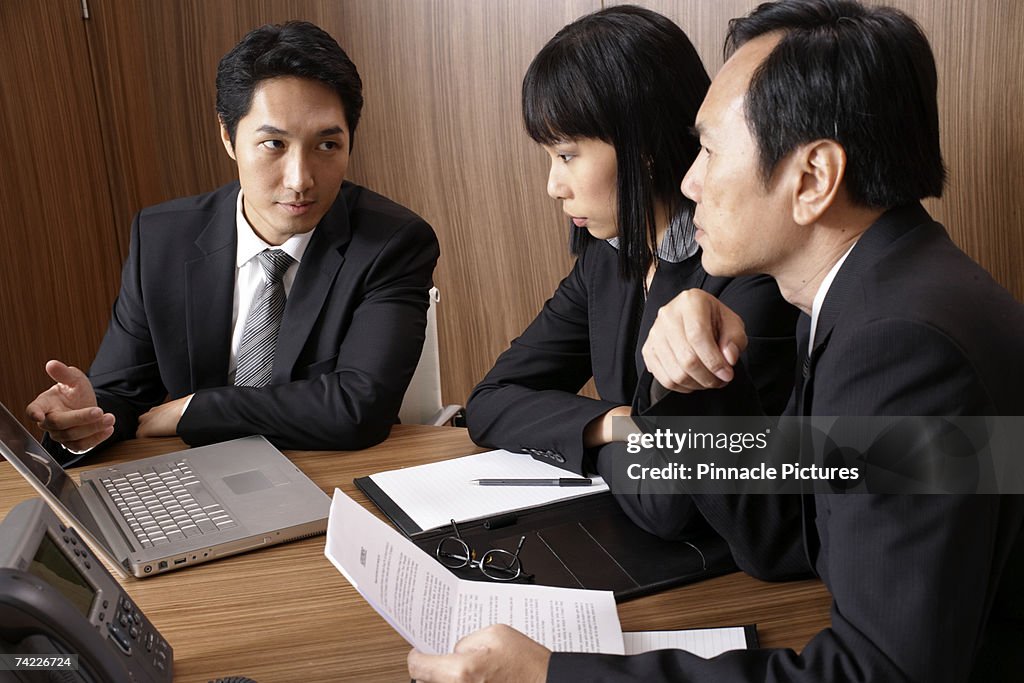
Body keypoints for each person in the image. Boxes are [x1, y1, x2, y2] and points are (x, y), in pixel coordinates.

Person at [408, 1, 1024, 681]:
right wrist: (703, 381)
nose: (690, 180)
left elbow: (880, 674)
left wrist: (551, 675)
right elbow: (783, 539)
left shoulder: (902, 346)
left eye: (708, 149)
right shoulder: (874, 294)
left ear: (813, 178)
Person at [26, 21, 439, 461]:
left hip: (329, 473)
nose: (300, 180)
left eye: (327, 146)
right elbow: (122, 396)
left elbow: (358, 408)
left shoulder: (392, 242)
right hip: (198, 480)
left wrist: (197, 408)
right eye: (274, 144)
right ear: (228, 137)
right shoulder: (163, 237)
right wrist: (86, 420)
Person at [464, 5, 798, 479]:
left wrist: (603, 439)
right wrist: (614, 425)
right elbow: (490, 401)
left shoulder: (747, 268)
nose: (553, 186)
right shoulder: (607, 255)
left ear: (641, 147)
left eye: (566, 155)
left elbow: (673, 495)